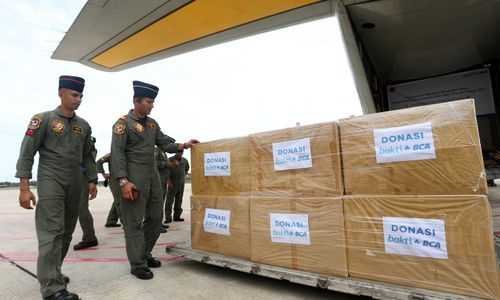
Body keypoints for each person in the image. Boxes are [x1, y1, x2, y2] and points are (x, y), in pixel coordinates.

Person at [15, 75, 97, 300]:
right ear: (60, 93)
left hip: (75, 183)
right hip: (51, 180)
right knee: (52, 232)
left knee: (67, 232)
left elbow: (89, 156)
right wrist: (24, 187)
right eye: (74, 95)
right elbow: (27, 153)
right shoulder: (43, 120)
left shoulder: (83, 126)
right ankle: (52, 288)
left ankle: (53, 273)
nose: (78, 99)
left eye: (81, 96)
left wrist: (92, 180)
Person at [110, 80, 199, 280]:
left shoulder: (152, 123)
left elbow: (164, 143)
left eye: (152, 102)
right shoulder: (123, 124)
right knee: (133, 222)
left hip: (152, 177)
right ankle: (137, 263)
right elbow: (117, 154)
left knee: (156, 217)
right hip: (133, 178)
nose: (152, 105)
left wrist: (184, 145)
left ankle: (144, 253)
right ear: (136, 101)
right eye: (149, 102)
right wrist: (123, 181)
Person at [73, 140, 99, 250]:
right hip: (70, 176)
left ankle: (90, 238)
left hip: (82, 176)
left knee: (82, 209)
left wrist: (92, 181)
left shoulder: (87, 143)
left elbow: (91, 163)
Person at [96, 153, 122, 227]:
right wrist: (103, 174)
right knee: (120, 201)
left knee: (118, 200)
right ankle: (126, 223)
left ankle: (111, 220)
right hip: (115, 181)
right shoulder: (111, 155)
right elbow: (99, 162)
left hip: (125, 180)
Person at [164, 149, 189, 224]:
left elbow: (187, 168)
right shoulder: (170, 160)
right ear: (176, 152)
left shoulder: (184, 160)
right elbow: (166, 171)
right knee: (169, 201)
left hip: (181, 184)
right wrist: (169, 182)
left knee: (179, 200)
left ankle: (177, 216)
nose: (180, 153)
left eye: (182, 152)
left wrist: (184, 174)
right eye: (179, 152)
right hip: (172, 183)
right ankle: (168, 217)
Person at [155, 147, 173, 233]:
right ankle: (155, 226)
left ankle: (159, 223)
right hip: (158, 181)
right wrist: (166, 164)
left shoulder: (163, 153)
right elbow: (154, 163)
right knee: (157, 204)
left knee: (161, 203)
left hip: (163, 181)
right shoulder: (155, 151)